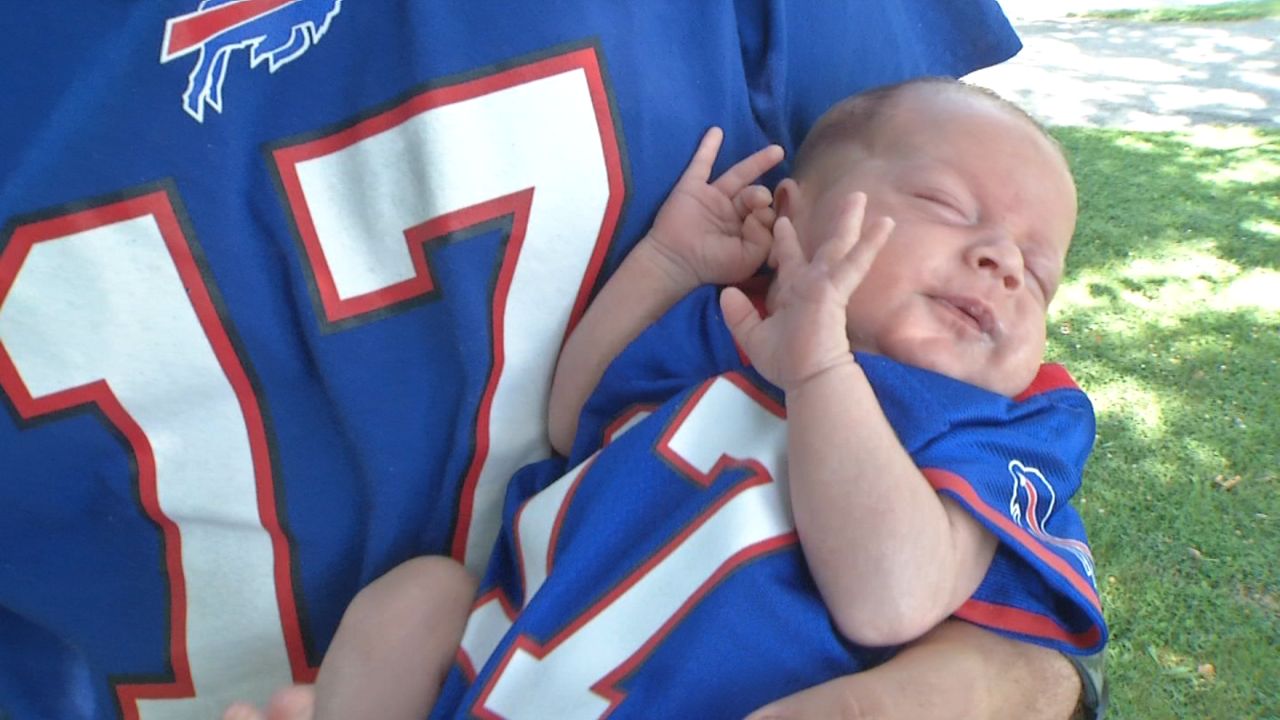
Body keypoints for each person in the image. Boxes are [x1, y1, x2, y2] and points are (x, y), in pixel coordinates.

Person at [0, 3, 1101, 718]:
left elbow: (893, 596)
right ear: (794, 221)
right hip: (502, 671)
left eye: (1040, 274)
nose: (1004, 264)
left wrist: (820, 369)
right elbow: (583, 407)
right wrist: (671, 260)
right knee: (417, 596)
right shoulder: (735, 335)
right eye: (946, 211)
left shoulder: (999, 426)